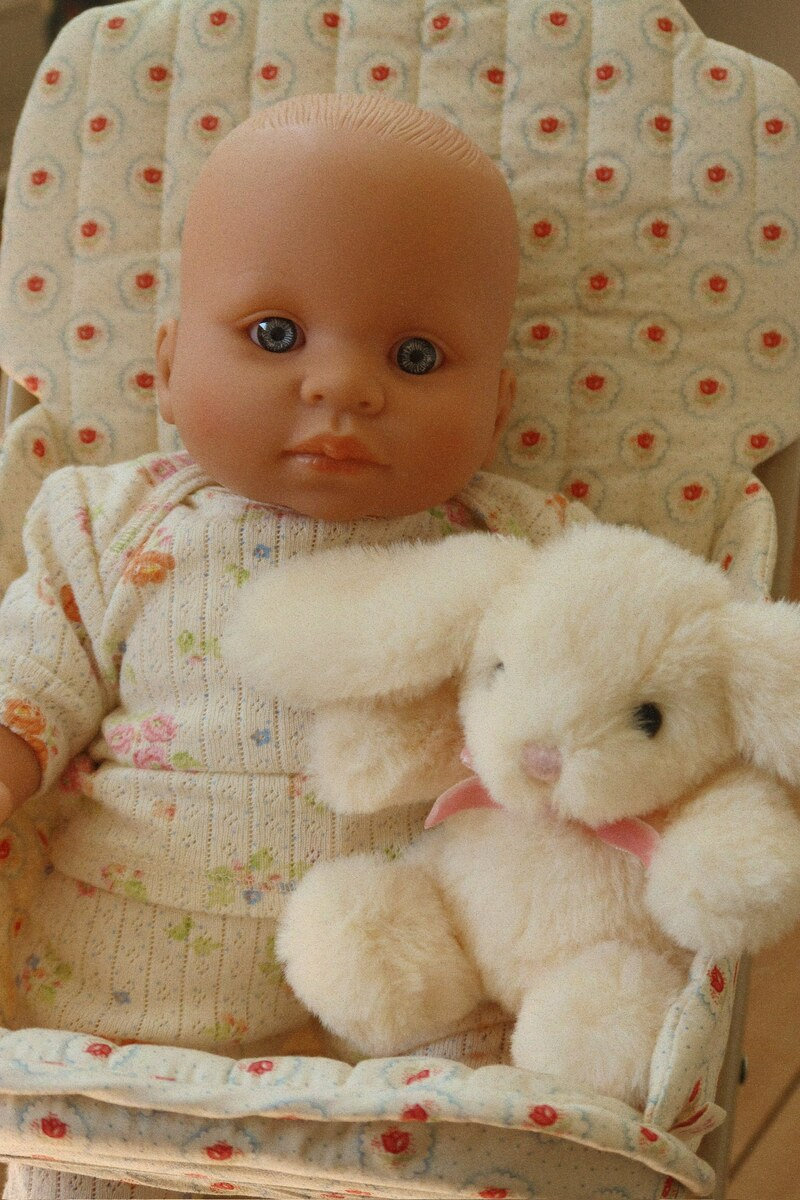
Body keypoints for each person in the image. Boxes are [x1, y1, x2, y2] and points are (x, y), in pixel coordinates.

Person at [0, 93, 586, 1199]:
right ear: (168, 358)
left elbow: (613, 689)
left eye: (416, 355)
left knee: (478, 1149)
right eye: (275, 336)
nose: (343, 387)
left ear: (499, 403)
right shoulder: (108, 523)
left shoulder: (521, 548)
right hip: (126, 998)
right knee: (73, 1165)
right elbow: (33, 672)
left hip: (418, 1005)